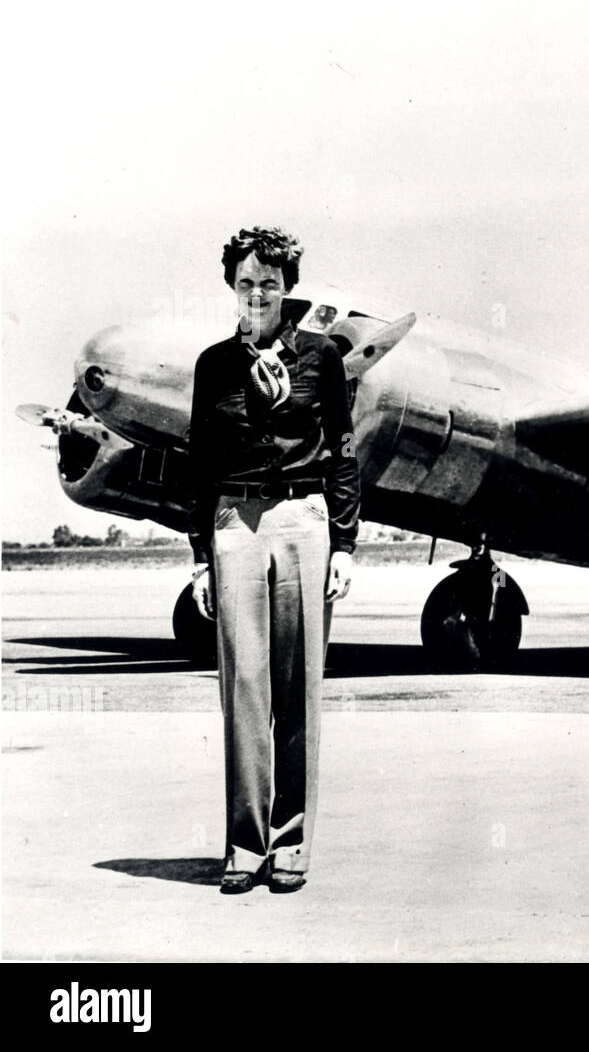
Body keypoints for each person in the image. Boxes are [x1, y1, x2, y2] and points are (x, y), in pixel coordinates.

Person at [186, 226, 360, 894]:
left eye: (270, 283)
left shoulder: (321, 358)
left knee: (297, 691)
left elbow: (343, 453)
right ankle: (244, 845)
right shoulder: (212, 366)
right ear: (232, 287)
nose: (257, 294)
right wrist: (202, 556)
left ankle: (290, 844)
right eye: (245, 283)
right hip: (235, 522)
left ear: (288, 288)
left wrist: (343, 544)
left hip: (303, 520)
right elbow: (199, 466)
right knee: (244, 692)